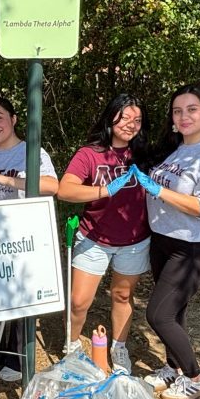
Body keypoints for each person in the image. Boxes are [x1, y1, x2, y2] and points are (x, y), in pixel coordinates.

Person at [133, 85, 200, 399]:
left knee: (159, 314)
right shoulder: (176, 149)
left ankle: (195, 377)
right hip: (164, 241)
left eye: (192, 109)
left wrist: (157, 190)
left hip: (194, 247)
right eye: (177, 111)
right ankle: (173, 367)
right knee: (174, 311)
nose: (184, 116)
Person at [57, 94, 151, 373]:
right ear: (111, 117)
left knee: (122, 296)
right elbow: (65, 190)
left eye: (137, 120)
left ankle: (118, 348)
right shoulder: (90, 154)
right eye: (124, 117)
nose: (130, 124)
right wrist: (103, 191)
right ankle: (72, 345)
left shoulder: (146, 154)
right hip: (93, 239)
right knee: (78, 302)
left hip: (135, 240)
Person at [0, 95, 59, 382]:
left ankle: (18, 357)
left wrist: (6, 180)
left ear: (13, 119)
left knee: (22, 299)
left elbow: (51, 185)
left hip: (23, 239)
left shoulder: (31, 152)